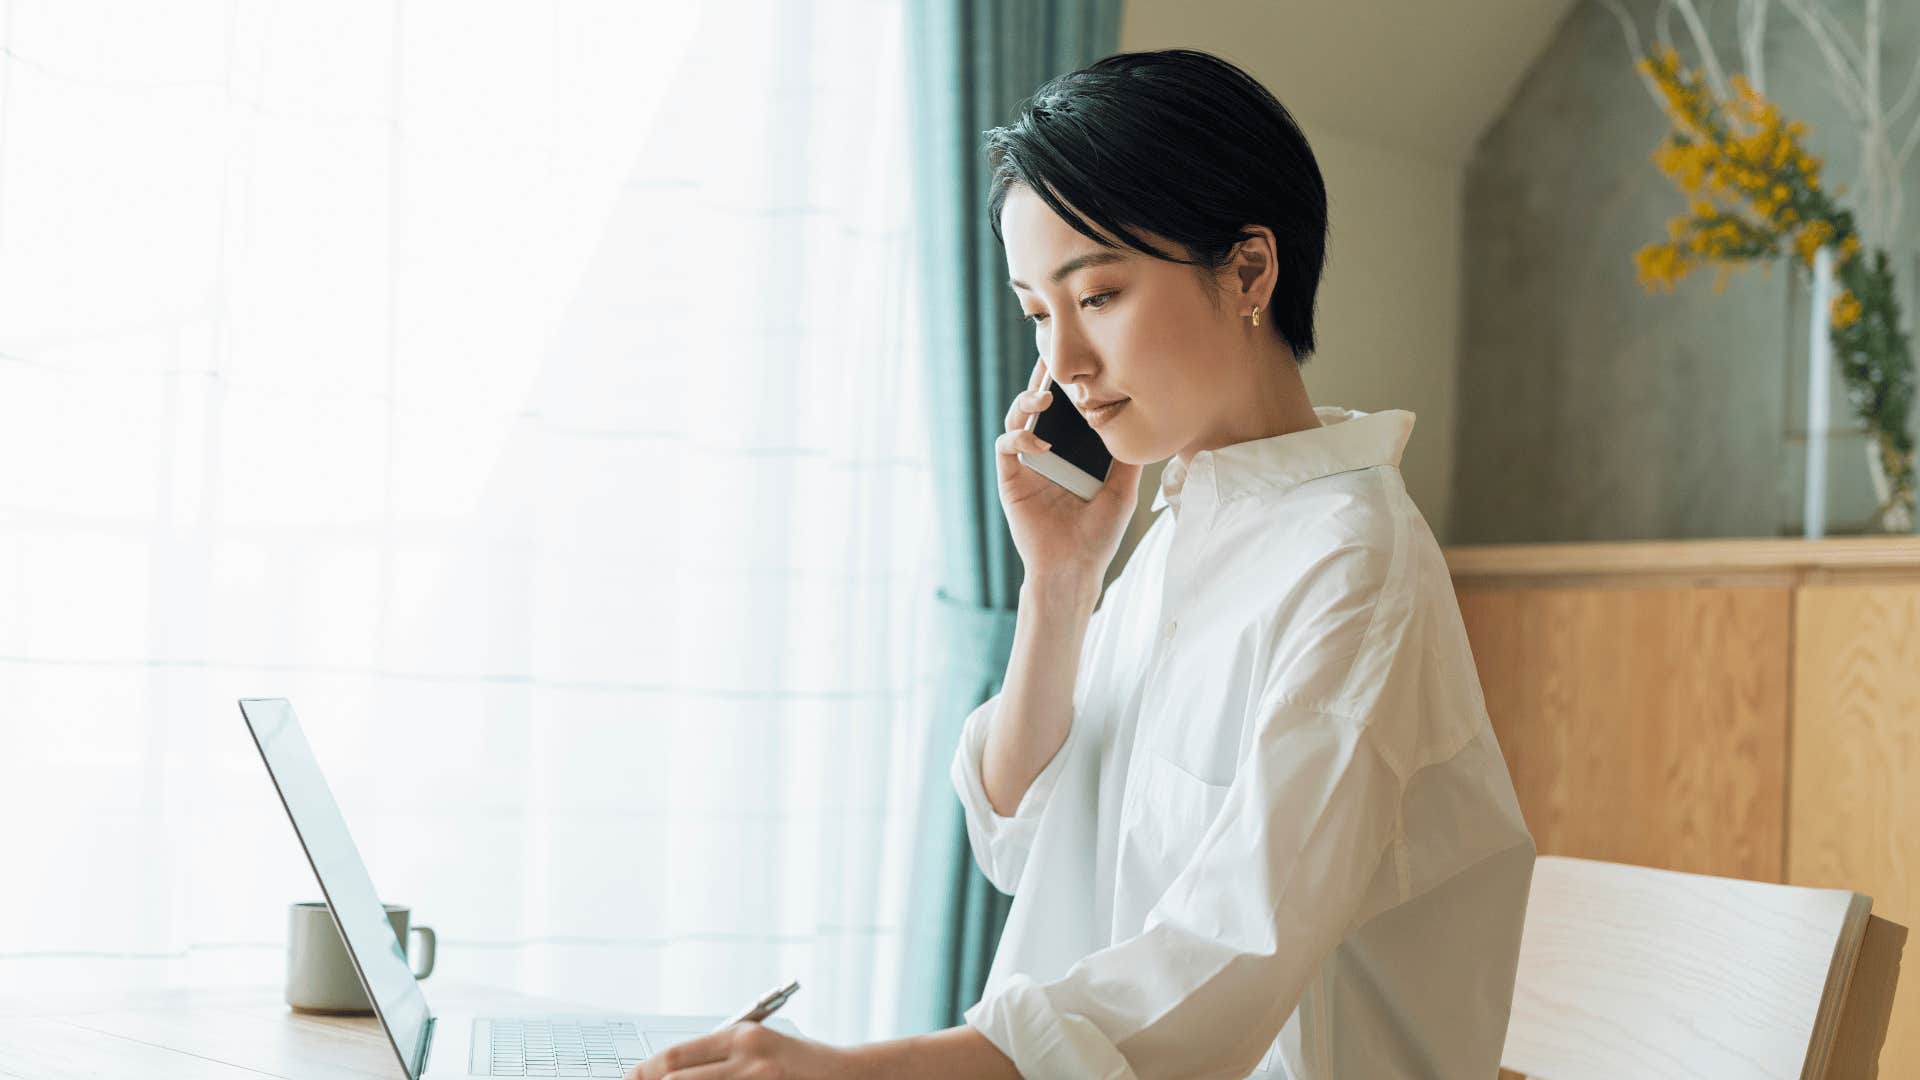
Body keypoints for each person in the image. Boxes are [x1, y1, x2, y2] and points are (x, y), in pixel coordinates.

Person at [630, 46, 1534, 1080]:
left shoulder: (1353, 566)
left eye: (1097, 295)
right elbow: (1015, 835)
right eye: (1036, 313)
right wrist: (1059, 584)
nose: (1062, 364)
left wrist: (861, 1072)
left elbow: (1225, 960)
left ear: (1249, 271)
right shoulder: (1180, 537)